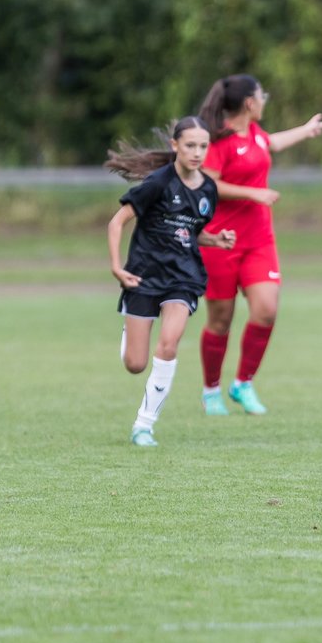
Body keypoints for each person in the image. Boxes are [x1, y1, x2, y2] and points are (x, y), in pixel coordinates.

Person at [194, 74, 322, 416]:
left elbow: (274, 143)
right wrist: (253, 193)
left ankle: (243, 384)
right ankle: (211, 391)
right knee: (220, 320)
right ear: (250, 103)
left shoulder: (255, 134)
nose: (265, 100)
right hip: (220, 241)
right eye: (262, 95)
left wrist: (306, 129)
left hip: (258, 241)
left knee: (266, 310)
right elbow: (209, 184)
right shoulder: (218, 140)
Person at [105, 116, 236, 447]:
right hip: (143, 274)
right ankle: (130, 329)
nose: (197, 152)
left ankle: (144, 425)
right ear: (175, 145)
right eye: (190, 145)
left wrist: (215, 240)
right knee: (135, 364)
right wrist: (116, 266)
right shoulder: (158, 183)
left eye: (203, 146)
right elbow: (117, 222)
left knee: (169, 343)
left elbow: (189, 233)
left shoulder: (208, 189)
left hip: (184, 278)